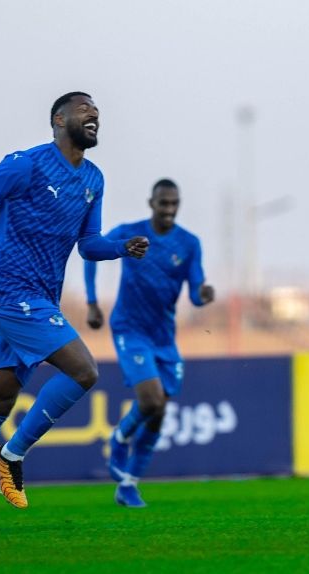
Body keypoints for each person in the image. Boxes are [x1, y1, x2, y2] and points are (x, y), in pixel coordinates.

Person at [0, 92, 149, 536]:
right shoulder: (26, 164)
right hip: (10, 292)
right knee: (84, 370)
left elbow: (89, 244)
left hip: (41, 297)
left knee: (0, 398)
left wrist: (121, 249)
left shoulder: (93, 178)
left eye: (96, 109)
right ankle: (10, 455)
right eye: (84, 108)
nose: (94, 113)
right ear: (58, 119)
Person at [85, 179, 214, 507]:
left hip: (163, 337)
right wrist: (91, 302)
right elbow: (91, 250)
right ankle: (119, 438)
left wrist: (203, 295)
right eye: (163, 203)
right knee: (151, 397)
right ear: (152, 203)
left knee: (158, 412)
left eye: (174, 204)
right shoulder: (131, 233)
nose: (168, 210)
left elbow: (196, 293)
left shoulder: (189, 243)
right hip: (130, 329)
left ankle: (128, 484)